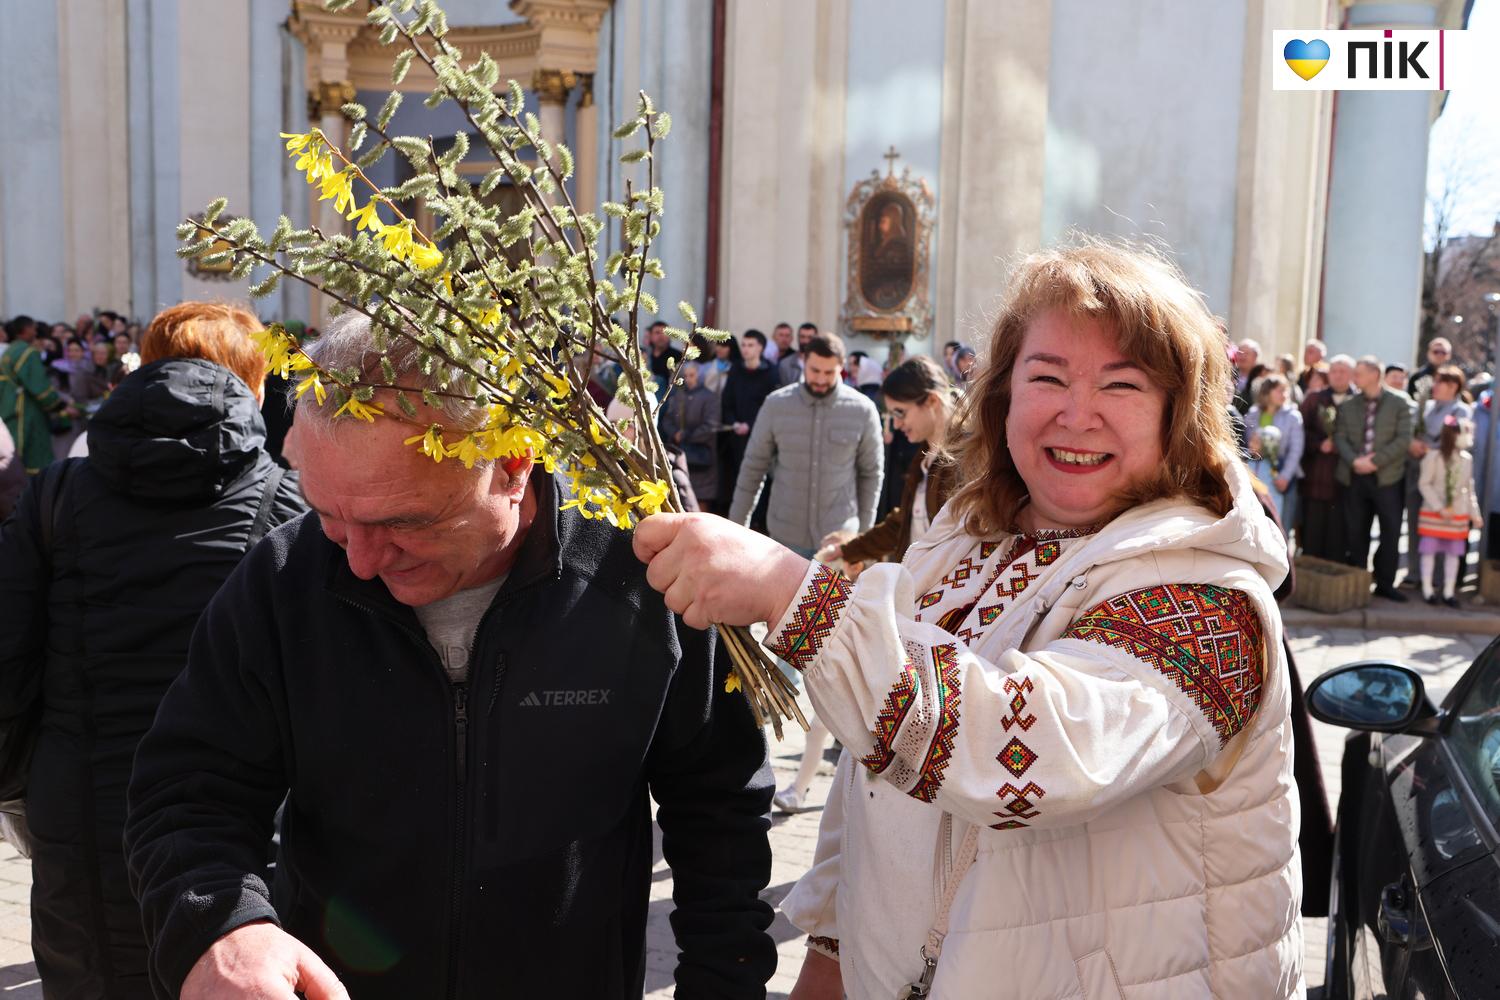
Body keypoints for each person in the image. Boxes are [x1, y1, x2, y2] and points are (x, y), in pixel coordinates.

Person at [634, 241, 1302, 998]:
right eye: (1047, 377)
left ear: (1179, 413)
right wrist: (832, 950)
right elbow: (876, 778)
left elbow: (1032, 755)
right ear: (1003, 395)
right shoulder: (963, 540)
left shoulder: (1209, 594)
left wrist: (792, 594)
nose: (1077, 414)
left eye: (1122, 385)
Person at [123, 313, 777, 1000]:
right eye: (330, 515)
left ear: (513, 466)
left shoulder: (644, 578)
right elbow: (189, 790)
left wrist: (722, 984)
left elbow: (721, 808)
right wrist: (224, 928)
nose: (361, 561)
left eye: (403, 522)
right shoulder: (283, 580)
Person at [0, 302, 306, 999]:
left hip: (79, 797)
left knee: (93, 972)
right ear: (253, 383)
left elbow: (8, 659)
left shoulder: (57, 493)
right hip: (237, 810)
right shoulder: (287, 498)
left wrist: (22, 786)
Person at [728, 332, 884, 555]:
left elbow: (871, 474)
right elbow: (753, 468)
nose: (820, 379)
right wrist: (736, 531)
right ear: (804, 363)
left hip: (837, 543)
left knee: (830, 582)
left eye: (829, 372)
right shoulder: (776, 405)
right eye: (815, 371)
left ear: (841, 368)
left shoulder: (863, 410)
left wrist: (862, 538)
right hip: (786, 540)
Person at [1335, 354, 1415, 601]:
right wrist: (1355, 461)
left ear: (1374, 375)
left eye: (1359, 373)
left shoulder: (1400, 402)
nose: (1354, 378)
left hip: (1388, 477)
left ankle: (1385, 583)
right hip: (1355, 477)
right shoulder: (1349, 405)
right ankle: (1359, 581)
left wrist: (1375, 461)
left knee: (1390, 531)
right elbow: (1340, 436)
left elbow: (1404, 439)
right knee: (1357, 531)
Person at [1407, 365, 1473, 586]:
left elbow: (1458, 441)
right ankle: (1415, 573)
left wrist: (1430, 450)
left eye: (1439, 382)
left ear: (1453, 386)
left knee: (1441, 529)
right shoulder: (1425, 406)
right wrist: (1412, 443)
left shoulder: (1461, 411)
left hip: (1442, 482)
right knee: (1416, 525)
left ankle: (1439, 579)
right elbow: (1411, 430)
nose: (1434, 386)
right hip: (1418, 473)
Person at [1416, 414, 1481, 606]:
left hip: (1457, 515)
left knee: (1453, 554)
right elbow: (1424, 483)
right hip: (1434, 513)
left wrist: (1475, 514)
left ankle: (1448, 591)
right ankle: (1428, 589)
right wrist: (1439, 507)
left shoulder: (1466, 459)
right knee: (1429, 551)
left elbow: (1469, 489)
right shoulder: (1433, 457)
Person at [1, 316, 77, 474]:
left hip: (10, 408)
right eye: (33, 329)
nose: (36, 332)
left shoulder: (9, 351)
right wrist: (61, 406)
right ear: (24, 330)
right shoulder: (27, 352)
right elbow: (40, 387)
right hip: (26, 412)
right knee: (34, 458)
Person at [1299, 354, 1354, 562]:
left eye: (1343, 372)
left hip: (1346, 478)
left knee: (1338, 530)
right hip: (1316, 475)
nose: (1338, 376)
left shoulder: (1358, 401)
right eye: (1334, 371)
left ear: (1351, 375)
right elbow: (1300, 431)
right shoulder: (1315, 399)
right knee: (1313, 527)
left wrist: (1342, 446)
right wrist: (1318, 444)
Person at [719, 329, 781, 513]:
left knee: (762, 476)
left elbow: (772, 406)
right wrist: (734, 423)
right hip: (736, 435)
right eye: (744, 345)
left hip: (762, 434)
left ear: (760, 348)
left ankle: (760, 518)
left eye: (751, 345)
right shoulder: (736, 369)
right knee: (738, 475)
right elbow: (727, 401)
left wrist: (751, 424)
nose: (746, 349)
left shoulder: (771, 372)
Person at [658, 361, 722, 514]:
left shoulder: (710, 397)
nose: (688, 379)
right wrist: (675, 433)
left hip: (702, 456)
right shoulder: (678, 396)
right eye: (686, 376)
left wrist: (687, 435)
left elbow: (711, 425)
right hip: (680, 454)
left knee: (701, 500)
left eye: (692, 375)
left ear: (700, 376)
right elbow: (667, 420)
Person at [1245, 372, 1304, 531]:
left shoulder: (1293, 416)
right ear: (1267, 392)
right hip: (1257, 475)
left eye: (1285, 390)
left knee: (1280, 524)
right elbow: (1248, 445)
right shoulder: (1253, 414)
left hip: (1282, 476)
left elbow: (1295, 450)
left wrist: (1285, 476)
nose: (1284, 394)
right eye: (1279, 390)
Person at [1408, 336, 1453, 404]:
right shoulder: (1418, 376)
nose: (1439, 355)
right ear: (1429, 353)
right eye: (1436, 352)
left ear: (1449, 355)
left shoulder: (1455, 377)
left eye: (1443, 352)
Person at [778, 322, 818, 388]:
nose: (805, 341)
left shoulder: (822, 363)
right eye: (802, 337)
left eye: (810, 337)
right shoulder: (785, 364)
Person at [645, 320, 682, 391]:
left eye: (664, 333)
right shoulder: (645, 354)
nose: (661, 336)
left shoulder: (678, 356)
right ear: (651, 336)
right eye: (657, 333)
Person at [1231, 337, 1263, 414]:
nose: (1242, 356)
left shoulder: (1262, 376)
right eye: (1240, 353)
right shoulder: (1229, 374)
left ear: (1255, 356)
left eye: (1247, 353)